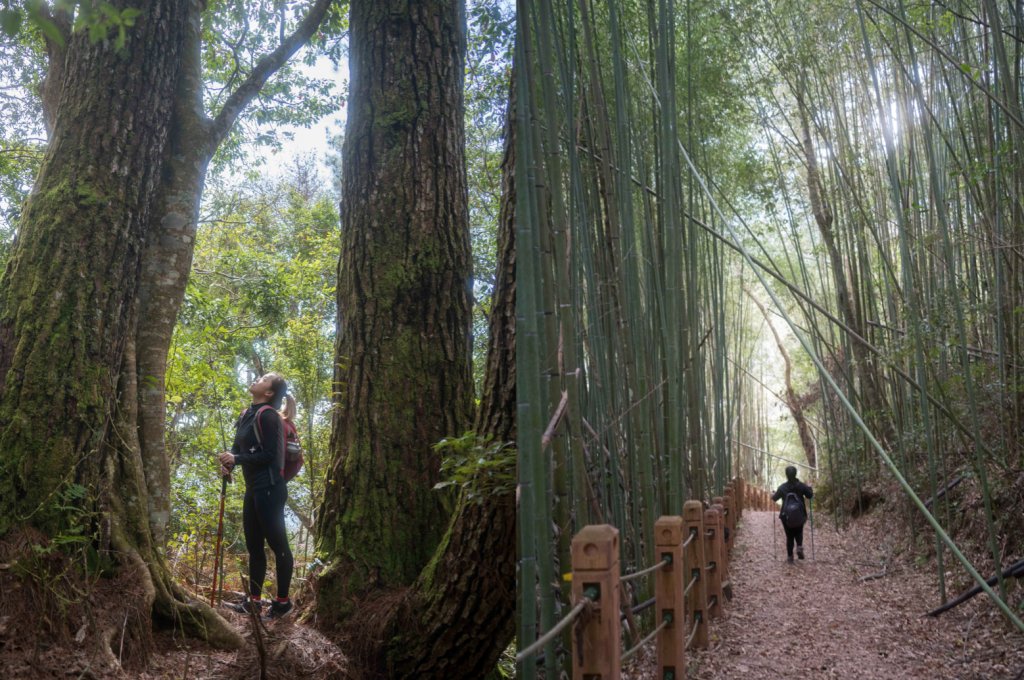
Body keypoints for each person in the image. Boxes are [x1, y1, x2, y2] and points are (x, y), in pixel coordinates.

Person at [218, 372, 295, 619]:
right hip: (254, 489)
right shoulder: (246, 413)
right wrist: (229, 463)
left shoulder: (269, 416)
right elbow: (237, 446)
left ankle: (282, 602)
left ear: (269, 392)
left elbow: (270, 455)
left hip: (271, 489)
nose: (258, 379)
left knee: (279, 546)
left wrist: (237, 459)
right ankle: (254, 601)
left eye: (264, 379)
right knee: (254, 546)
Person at [772, 465, 813, 563]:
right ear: (795, 474)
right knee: (799, 531)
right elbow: (810, 495)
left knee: (789, 535)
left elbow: (774, 498)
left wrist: (772, 493)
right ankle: (799, 546)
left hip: (786, 516)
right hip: (800, 514)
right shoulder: (801, 485)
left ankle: (790, 557)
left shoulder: (782, 487)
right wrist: (810, 488)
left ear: (786, 475)